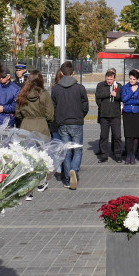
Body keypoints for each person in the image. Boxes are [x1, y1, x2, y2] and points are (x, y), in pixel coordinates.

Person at [50, 61, 88, 189]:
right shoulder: (80, 88)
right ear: (73, 73)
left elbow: (53, 107)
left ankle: (67, 180)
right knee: (77, 150)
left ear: (61, 73)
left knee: (66, 151)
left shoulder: (55, 89)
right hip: (76, 122)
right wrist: (80, 116)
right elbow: (85, 106)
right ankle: (74, 171)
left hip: (62, 124)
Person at [95, 69, 123, 163]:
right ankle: (104, 155)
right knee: (103, 136)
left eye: (111, 79)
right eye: (107, 79)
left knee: (117, 136)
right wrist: (108, 94)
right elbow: (98, 96)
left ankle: (117, 154)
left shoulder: (118, 86)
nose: (109, 81)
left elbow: (122, 97)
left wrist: (117, 96)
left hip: (115, 115)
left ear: (114, 78)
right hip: (104, 115)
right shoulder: (101, 85)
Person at [120, 69, 139, 165]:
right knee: (128, 135)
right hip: (127, 113)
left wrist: (131, 99)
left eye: (134, 79)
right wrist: (132, 93)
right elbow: (123, 99)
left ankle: (133, 154)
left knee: (136, 135)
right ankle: (128, 155)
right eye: (130, 78)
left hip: (137, 113)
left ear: (137, 79)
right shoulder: (125, 87)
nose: (131, 80)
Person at [15, 71, 54, 137]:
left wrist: (26, 118)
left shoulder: (22, 94)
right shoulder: (45, 94)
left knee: (26, 147)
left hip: (25, 127)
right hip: (42, 128)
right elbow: (50, 115)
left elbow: (18, 113)